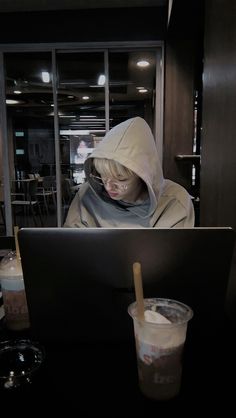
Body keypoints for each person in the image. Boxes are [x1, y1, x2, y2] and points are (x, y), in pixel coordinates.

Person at [64, 117, 195, 228]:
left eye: (121, 179)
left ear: (142, 175)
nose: (109, 186)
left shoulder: (174, 201)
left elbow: (175, 255)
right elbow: (70, 249)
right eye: (102, 176)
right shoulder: (87, 195)